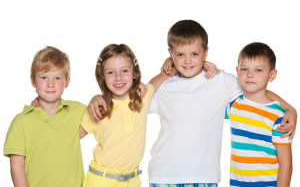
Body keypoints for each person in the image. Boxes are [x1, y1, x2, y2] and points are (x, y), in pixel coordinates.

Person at [88, 20, 297, 187]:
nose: (187, 61)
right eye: (180, 55)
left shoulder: (221, 81)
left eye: (195, 54)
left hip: (205, 176)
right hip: (164, 175)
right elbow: (131, 100)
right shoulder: (164, 85)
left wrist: (290, 109)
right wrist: (98, 97)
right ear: (170, 54)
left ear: (206, 53)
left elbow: (255, 88)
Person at [78, 43, 180, 187]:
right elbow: (71, 138)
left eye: (124, 71)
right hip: (101, 181)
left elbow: (169, 71)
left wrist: (169, 61)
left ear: (134, 73)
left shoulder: (141, 97)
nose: (118, 77)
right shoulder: (100, 108)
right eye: (110, 72)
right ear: (102, 76)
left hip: (132, 181)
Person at [3, 46, 86, 187]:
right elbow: (16, 166)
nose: (50, 84)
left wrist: (97, 98)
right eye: (44, 77)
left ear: (67, 81)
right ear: (33, 80)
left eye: (57, 78)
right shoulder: (21, 122)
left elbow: (104, 112)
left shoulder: (77, 111)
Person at [226, 42, 292, 187]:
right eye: (244, 69)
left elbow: (286, 164)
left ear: (272, 75)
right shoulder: (233, 105)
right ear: (237, 71)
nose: (250, 75)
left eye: (258, 70)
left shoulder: (280, 117)